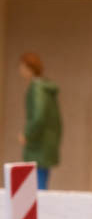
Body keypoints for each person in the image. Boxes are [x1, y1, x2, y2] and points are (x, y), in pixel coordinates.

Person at [17, 52, 62, 189]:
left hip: (38, 144)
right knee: (41, 177)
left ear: (29, 68)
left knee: (38, 182)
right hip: (46, 142)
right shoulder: (44, 87)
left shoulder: (37, 88)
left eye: (22, 66)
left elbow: (38, 116)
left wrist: (28, 134)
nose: (20, 70)